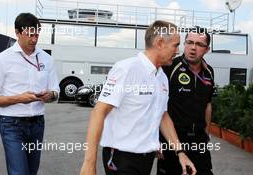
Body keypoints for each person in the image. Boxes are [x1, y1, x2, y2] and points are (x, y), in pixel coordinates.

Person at [80, 20, 196, 175]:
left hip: (147, 159)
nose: (178, 50)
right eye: (175, 45)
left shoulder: (161, 76)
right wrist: (89, 163)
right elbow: (98, 112)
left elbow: (162, 116)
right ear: (160, 43)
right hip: (122, 160)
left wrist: (180, 152)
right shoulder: (127, 69)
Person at [0, 13, 60, 175]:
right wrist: (18, 99)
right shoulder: (2, 60)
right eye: (30, 34)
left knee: (31, 171)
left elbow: (57, 92)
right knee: (20, 172)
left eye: (37, 34)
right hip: (12, 125)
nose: (34, 39)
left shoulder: (47, 59)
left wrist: (50, 95)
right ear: (18, 32)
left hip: (37, 124)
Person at [157, 27, 215, 175]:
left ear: (207, 49)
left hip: (199, 142)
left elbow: (208, 105)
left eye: (199, 44)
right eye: (189, 42)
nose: (193, 48)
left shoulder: (209, 72)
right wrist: (155, 140)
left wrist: (206, 135)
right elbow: (156, 106)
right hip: (172, 140)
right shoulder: (168, 67)